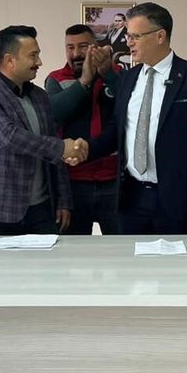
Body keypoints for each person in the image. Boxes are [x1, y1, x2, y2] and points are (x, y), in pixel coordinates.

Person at [88, 2, 187, 235]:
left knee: (176, 258)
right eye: (128, 36)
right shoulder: (128, 78)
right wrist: (84, 149)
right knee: (131, 258)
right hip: (132, 197)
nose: (129, 42)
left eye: (135, 36)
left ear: (160, 36)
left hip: (177, 198)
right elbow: (117, 131)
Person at [0, 25, 77, 236]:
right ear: (10, 60)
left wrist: (63, 200)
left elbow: (52, 149)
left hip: (42, 210)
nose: (39, 62)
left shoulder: (40, 96)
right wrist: (62, 147)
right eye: (33, 56)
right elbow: (8, 137)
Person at [45, 24, 121, 235]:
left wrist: (107, 74)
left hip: (113, 180)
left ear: (95, 47)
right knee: (73, 250)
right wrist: (84, 81)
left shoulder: (117, 74)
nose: (76, 54)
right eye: (70, 47)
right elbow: (55, 113)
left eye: (83, 46)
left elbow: (129, 107)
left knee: (122, 247)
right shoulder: (56, 79)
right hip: (73, 181)